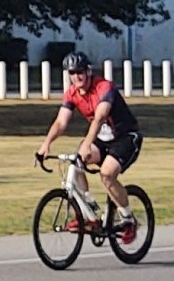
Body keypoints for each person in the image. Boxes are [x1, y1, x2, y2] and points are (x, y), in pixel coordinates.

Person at [38, 52, 143, 243]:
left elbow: (100, 117)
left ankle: (128, 219)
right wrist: (46, 144)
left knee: (107, 174)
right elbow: (61, 122)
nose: (76, 77)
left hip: (126, 137)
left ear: (88, 71)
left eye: (80, 72)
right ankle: (90, 213)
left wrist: (86, 144)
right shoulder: (72, 93)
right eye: (72, 73)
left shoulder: (104, 87)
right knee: (75, 162)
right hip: (102, 139)